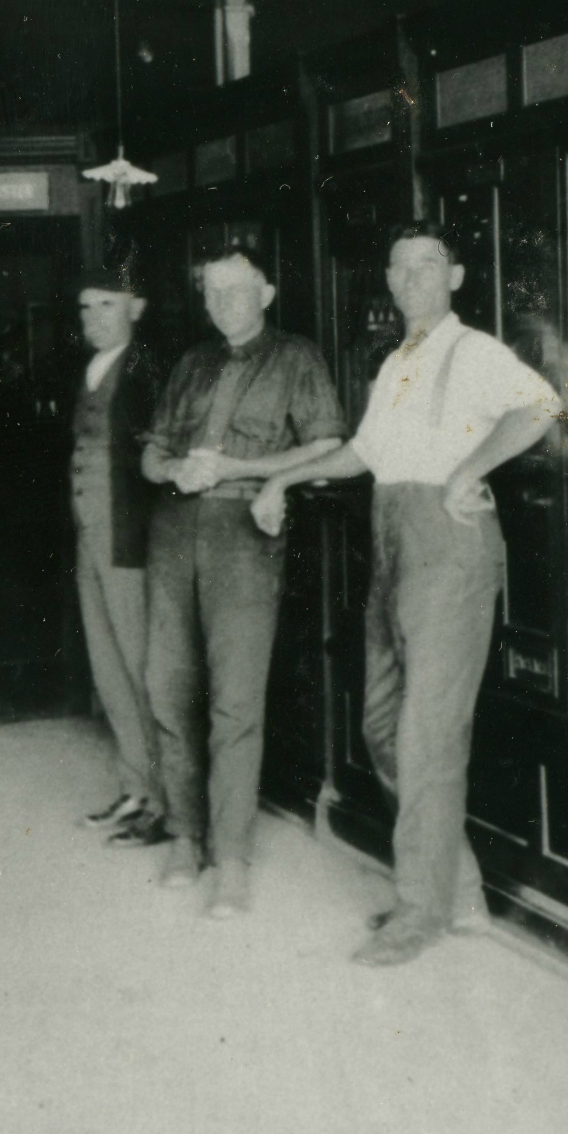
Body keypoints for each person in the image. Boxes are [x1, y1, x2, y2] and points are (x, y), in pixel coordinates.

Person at [253, 224, 561, 965]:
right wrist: (282, 478)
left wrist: (468, 470)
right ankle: (459, 893)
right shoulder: (395, 361)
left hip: (447, 550)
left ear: (454, 277)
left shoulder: (475, 351)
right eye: (400, 267)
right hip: (392, 541)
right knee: (383, 728)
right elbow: (362, 452)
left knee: (426, 736)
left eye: (429, 265)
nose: (413, 278)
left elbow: (543, 405)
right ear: (388, 281)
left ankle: (419, 912)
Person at [141, 244, 344, 912]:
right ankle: (184, 833)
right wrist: (174, 470)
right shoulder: (191, 363)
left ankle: (230, 858)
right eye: (212, 291)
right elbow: (150, 454)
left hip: (243, 534)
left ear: (266, 293)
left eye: (237, 289)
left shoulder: (296, 357)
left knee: (234, 699)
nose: (223, 302)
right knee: (167, 686)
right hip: (173, 530)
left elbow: (327, 445)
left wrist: (238, 471)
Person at [68, 248, 168, 846]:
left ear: (136, 308)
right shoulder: (88, 367)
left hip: (130, 542)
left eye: (107, 305)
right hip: (91, 539)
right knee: (108, 667)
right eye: (86, 307)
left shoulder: (146, 369)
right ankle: (135, 787)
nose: (94, 317)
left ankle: (165, 800)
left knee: (142, 669)